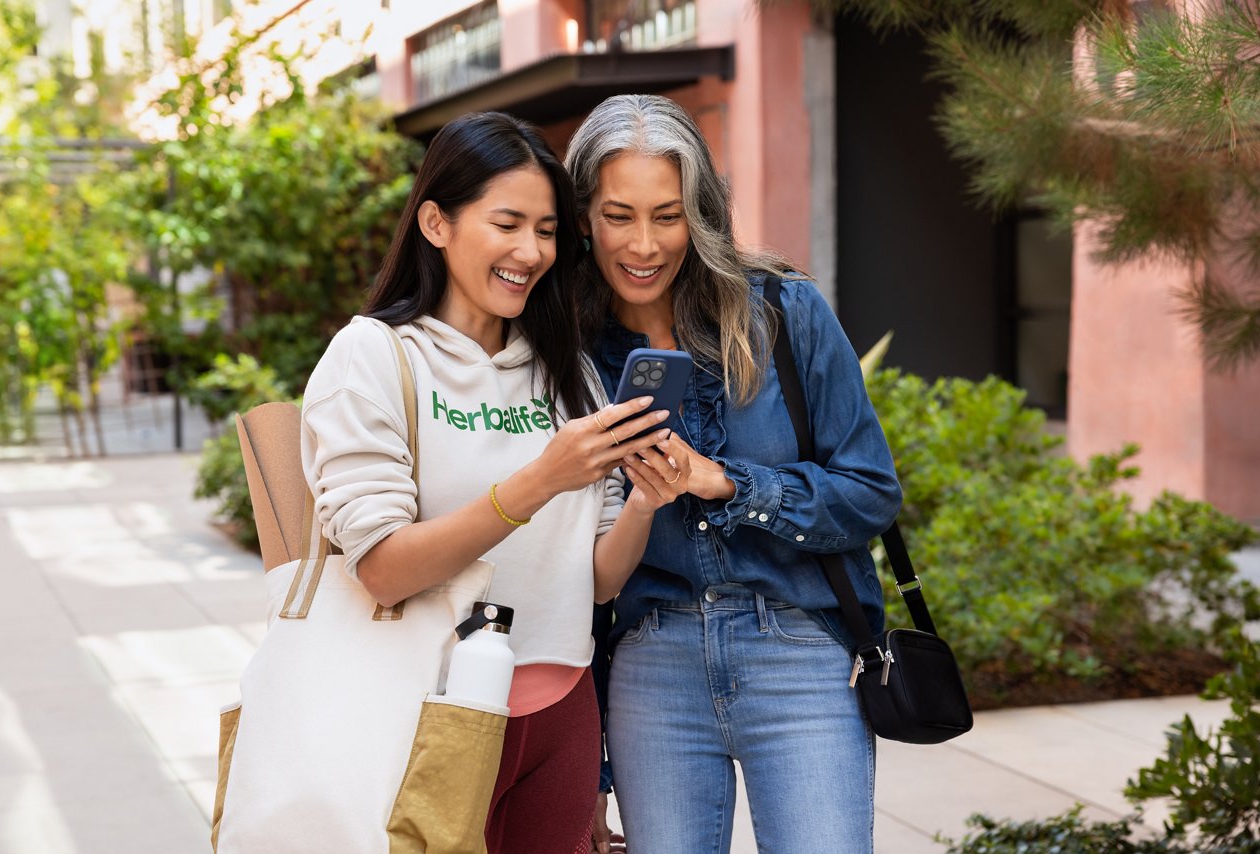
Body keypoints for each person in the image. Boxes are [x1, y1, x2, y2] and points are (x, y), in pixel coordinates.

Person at [300, 111, 685, 854]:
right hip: (427, 708)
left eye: (546, 231)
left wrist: (644, 497)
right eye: (507, 223)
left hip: (562, 710)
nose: (530, 251)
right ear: (436, 223)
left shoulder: (563, 371)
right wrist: (539, 481)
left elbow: (600, 581)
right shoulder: (375, 357)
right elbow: (382, 570)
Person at [565, 94, 903, 853]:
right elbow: (564, 573)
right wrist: (590, 772)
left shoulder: (785, 312)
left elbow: (871, 492)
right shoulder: (566, 351)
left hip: (799, 656)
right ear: (584, 215)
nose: (644, 244)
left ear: (703, 212)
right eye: (619, 215)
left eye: (669, 214)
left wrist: (725, 483)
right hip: (651, 667)